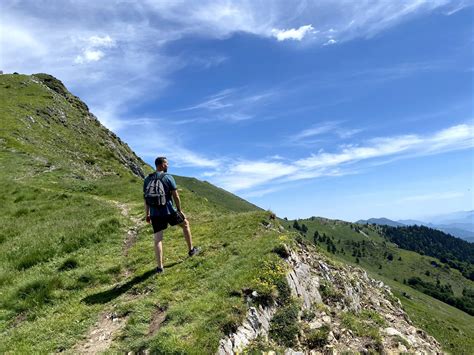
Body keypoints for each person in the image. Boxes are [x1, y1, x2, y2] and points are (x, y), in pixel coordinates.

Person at [144, 157, 199, 273]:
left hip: (155, 214)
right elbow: (176, 196)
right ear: (162, 165)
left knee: (158, 239)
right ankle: (191, 250)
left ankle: (160, 268)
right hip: (169, 211)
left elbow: (146, 199)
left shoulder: (147, 179)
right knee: (185, 224)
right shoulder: (168, 177)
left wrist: (147, 214)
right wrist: (179, 210)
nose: (167, 165)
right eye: (166, 163)